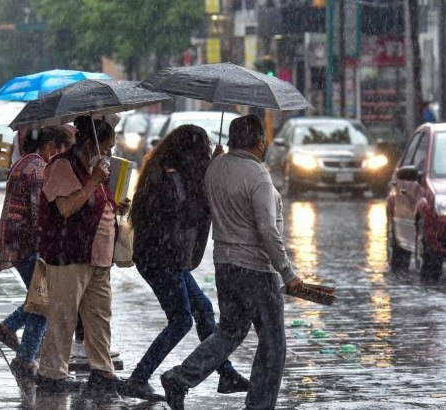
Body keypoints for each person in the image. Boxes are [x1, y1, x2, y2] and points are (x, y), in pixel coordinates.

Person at [160, 115, 303, 410]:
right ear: (260, 142)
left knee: (229, 332)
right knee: (273, 344)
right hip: (256, 269)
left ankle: (181, 377)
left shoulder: (215, 169)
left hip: (225, 266)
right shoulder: (258, 175)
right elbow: (267, 228)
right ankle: (259, 405)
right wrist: (287, 272)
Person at [118, 125, 249, 401]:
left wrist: (211, 169)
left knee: (202, 308)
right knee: (180, 321)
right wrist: (208, 181)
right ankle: (139, 378)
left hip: (168, 259)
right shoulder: (168, 178)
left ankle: (225, 374)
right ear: (189, 152)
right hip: (161, 260)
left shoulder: (172, 173)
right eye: (201, 150)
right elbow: (185, 215)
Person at [35, 115, 129, 392]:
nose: (110, 153)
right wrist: (94, 181)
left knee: (99, 317)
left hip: (98, 257)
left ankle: (102, 370)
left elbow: (95, 203)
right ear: (91, 142)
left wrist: (115, 207)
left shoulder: (93, 168)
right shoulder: (62, 166)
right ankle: (52, 373)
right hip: (70, 254)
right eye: (107, 147)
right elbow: (66, 208)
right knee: (64, 315)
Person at [0, 126, 73, 378]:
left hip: (19, 242)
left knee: (40, 298)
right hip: (29, 245)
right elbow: (40, 215)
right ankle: (24, 357)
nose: (60, 156)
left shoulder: (25, 162)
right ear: (49, 147)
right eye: (59, 151)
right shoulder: (37, 169)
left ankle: (8, 328)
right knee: (44, 301)